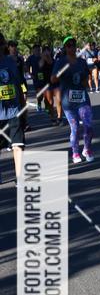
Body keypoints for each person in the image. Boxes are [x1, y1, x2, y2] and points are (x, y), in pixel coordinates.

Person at [51, 36, 94, 164]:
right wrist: (62, 73)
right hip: (68, 101)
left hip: (82, 99)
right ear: (65, 48)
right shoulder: (60, 62)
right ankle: (75, 152)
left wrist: (84, 80)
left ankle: (87, 149)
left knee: (89, 126)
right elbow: (53, 79)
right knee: (74, 127)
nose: (71, 47)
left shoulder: (81, 62)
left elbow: (86, 81)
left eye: (73, 45)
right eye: (68, 45)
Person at [0, 31, 26, 182]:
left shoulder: (11, 62)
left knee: (18, 145)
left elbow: (19, 86)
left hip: (13, 112)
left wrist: (23, 110)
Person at [25, 43, 45, 112]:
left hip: (44, 76)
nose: (37, 51)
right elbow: (26, 66)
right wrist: (30, 74)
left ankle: (46, 104)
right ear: (33, 50)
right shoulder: (31, 58)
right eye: (36, 49)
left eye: (39, 49)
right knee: (39, 92)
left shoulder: (42, 56)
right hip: (36, 77)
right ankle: (39, 103)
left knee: (44, 92)